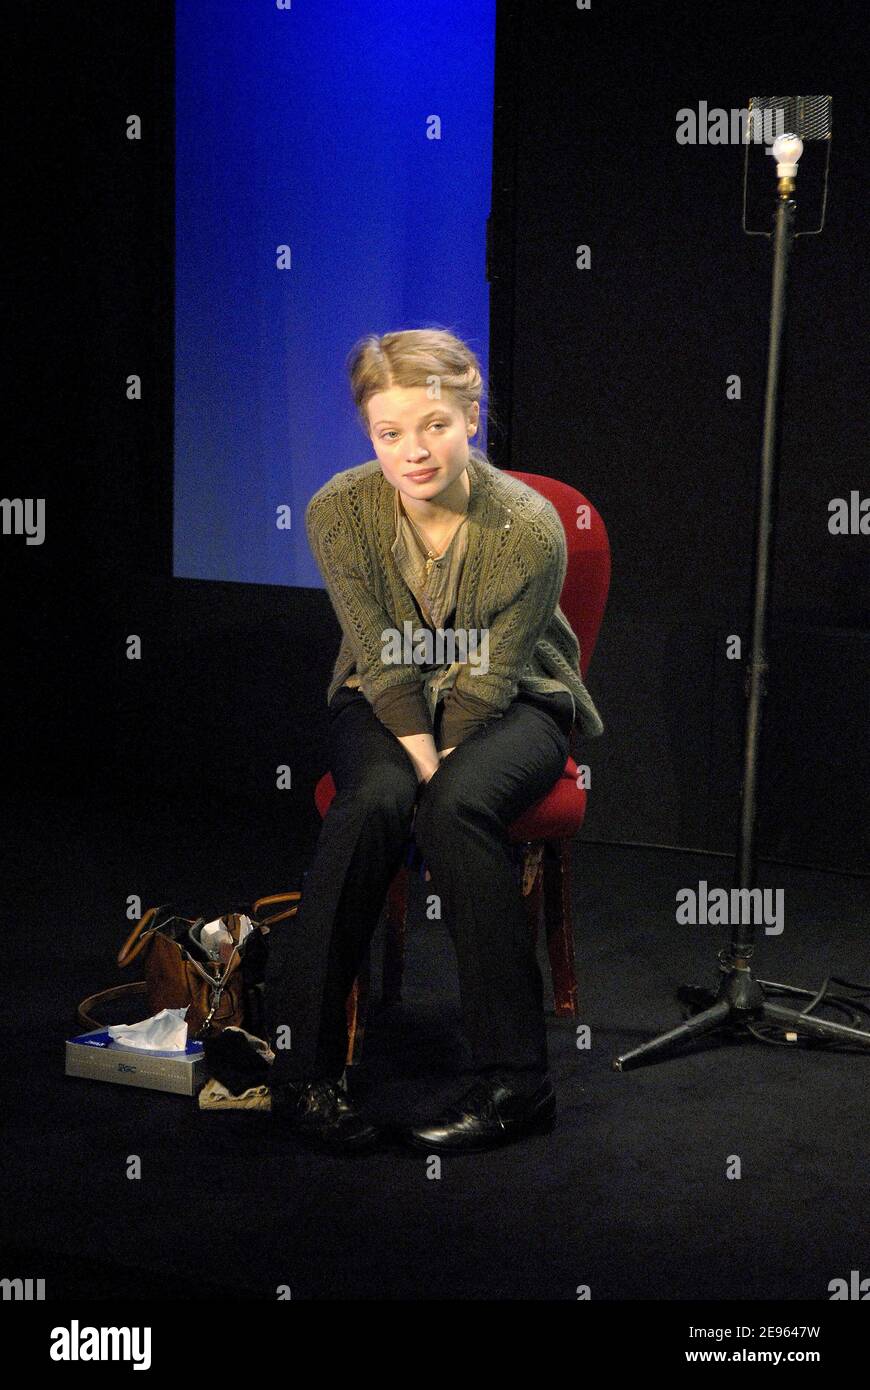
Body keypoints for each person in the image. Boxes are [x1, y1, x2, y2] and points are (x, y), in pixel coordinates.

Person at [264, 327, 604, 1153]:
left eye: (435, 426)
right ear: (368, 433)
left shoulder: (529, 528)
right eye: (390, 433)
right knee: (378, 796)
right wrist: (418, 756)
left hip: (518, 698)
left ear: (473, 415)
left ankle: (517, 1086)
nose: (413, 452)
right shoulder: (338, 512)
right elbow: (382, 660)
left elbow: (490, 678)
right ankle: (303, 1077)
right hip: (383, 697)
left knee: (457, 807)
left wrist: (447, 762)